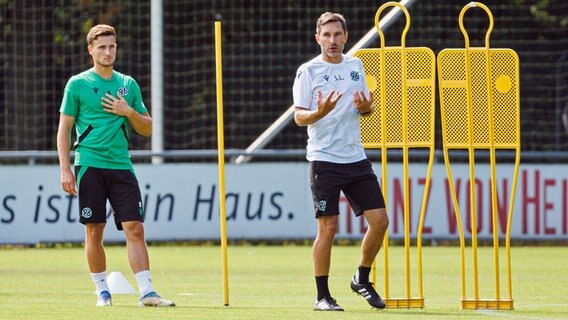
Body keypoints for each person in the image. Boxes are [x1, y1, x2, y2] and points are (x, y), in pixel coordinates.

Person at [56, 24, 175, 307]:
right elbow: (65, 129)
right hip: (90, 166)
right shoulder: (77, 84)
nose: (108, 52)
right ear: (91, 51)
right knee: (94, 230)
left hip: (122, 166)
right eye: (102, 47)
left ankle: (147, 292)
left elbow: (147, 128)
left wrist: (128, 111)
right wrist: (64, 168)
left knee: (135, 227)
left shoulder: (128, 85)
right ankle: (102, 292)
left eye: (112, 46)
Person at [293, 12, 389, 311]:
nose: (332, 41)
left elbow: (364, 110)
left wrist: (367, 107)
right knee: (329, 227)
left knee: (381, 222)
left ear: (346, 37)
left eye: (337, 35)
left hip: (356, 158)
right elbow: (299, 116)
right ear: (317, 38)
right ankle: (322, 296)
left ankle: (361, 277)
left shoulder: (356, 65)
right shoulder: (308, 71)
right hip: (325, 160)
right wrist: (319, 113)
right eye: (327, 35)